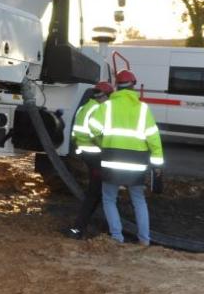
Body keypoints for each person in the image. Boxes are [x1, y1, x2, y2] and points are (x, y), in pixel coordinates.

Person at [88, 69, 164, 246]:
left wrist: (102, 141)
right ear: (133, 86)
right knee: (138, 200)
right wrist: (158, 164)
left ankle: (117, 238)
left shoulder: (106, 107)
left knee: (109, 198)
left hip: (112, 159)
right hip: (136, 163)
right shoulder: (143, 108)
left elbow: (93, 127)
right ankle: (144, 240)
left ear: (117, 87)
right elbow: (154, 138)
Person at [65, 81, 114, 239]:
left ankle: (81, 227)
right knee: (97, 192)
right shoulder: (99, 108)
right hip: (95, 154)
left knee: (97, 192)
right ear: (104, 95)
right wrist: (106, 146)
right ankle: (80, 228)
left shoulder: (85, 106)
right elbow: (96, 133)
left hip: (85, 152)